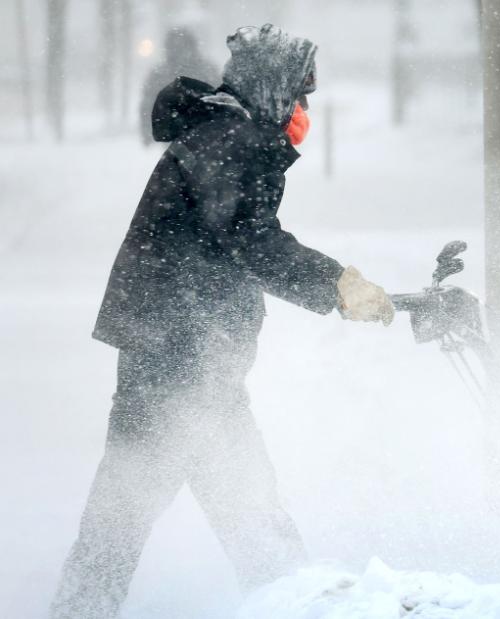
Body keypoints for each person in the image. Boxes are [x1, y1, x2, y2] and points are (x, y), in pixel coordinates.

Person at [50, 24, 393, 619]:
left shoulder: (225, 133)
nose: (303, 109)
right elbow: (248, 237)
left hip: (185, 347)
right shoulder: (230, 138)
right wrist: (336, 282)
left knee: (217, 508)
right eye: (298, 94)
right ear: (271, 89)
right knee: (168, 510)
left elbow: (229, 241)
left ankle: (284, 600)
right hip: (176, 352)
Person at [139, 27, 220, 145]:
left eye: (182, 46)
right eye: (176, 47)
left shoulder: (161, 73)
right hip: (196, 133)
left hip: (194, 133)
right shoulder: (205, 69)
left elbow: (148, 103)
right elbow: (148, 103)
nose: (179, 51)